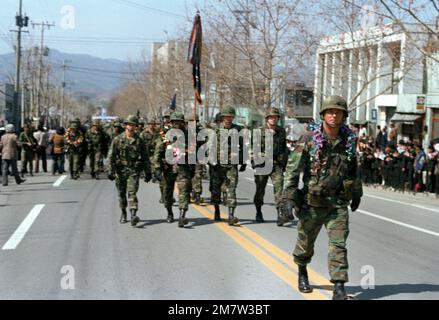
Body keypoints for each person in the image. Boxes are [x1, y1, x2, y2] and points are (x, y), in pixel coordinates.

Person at [282, 95, 363, 300]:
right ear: (323, 115)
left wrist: (356, 193)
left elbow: (354, 170)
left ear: (344, 115)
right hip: (311, 203)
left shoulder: (349, 141)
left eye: (338, 112)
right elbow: (292, 170)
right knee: (305, 243)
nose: (334, 115)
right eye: (330, 112)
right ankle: (302, 272)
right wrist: (288, 198)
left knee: (338, 245)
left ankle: (339, 285)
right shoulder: (309, 138)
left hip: (337, 203)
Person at [108, 115, 152, 226]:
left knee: (132, 192)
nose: (131, 127)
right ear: (125, 126)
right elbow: (111, 156)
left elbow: (145, 157)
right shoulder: (118, 139)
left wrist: (148, 172)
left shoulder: (139, 140)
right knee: (121, 194)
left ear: (136, 127)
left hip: (133, 170)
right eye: (129, 125)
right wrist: (110, 171)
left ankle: (133, 214)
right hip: (120, 171)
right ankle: (123, 213)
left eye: (133, 125)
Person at [153, 112, 192, 227]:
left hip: (183, 167)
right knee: (167, 192)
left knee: (184, 191)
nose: (177, 124)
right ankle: (169, 213)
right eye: (174, 122)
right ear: (171, 123)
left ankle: (182, 215)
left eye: (179, 122)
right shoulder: (164, 135)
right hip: (168, 167)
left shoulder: (188, 135)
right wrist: (157, 167)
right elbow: (158, 151)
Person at [209, 106, 246, 225]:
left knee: (232, 189)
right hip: (217, 165)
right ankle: (217, 211)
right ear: (222, 117)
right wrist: (211, 161)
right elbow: (209, 146)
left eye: (230, 116)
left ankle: (231, 215)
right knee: (216, 190)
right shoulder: (216, 130)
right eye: (226, 116)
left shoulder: (238, 129)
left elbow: (243, 148)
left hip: (231, 165)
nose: (228, 119)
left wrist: (243, 161)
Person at [251, 107, 288, 224]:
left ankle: (280, 214)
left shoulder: (281, 131)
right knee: (260, 189)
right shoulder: (259, 132)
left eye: (275, 117)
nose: (273, 119)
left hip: (276, 165)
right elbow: (254, 149)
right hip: (262, 164)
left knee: (280, 189)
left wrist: (284, 161)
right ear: (267, 118)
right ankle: (258, 211)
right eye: (271, 117)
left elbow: (283, 148)